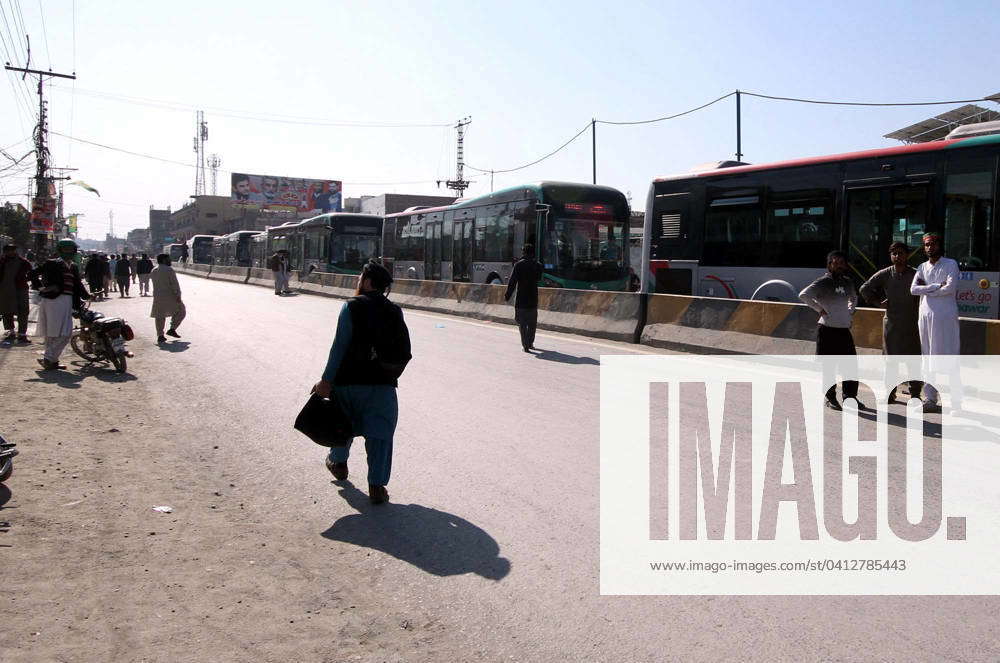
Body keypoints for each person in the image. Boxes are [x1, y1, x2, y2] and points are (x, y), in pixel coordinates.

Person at [312, 260, 409, 505]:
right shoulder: (394, 311)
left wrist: (326, 381)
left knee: (342, 426)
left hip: (348, 383)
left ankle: (338, 463)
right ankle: (376, 486)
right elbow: (404, 352)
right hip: (383, 386)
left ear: (366, 282)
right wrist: (389, 375)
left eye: (359, 277)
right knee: (380, 435)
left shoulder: (351, 307)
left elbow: (339, 347)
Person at [799, 250, 864, 410]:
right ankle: (830, 398)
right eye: (836, 263)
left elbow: (854, 297)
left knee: (850, 366)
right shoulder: (823, 282)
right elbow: (804, 295)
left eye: (842, 263)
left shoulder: (848, 282)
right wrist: (819, 309)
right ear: (829, 265)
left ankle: (850, 397)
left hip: (843, 330)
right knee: (829, 366)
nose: (840, 266)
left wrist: (850, 310)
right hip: (827, 330)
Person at [859, 241, 923, 404]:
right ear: (890, 256)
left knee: (913, 361)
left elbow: (927, 293)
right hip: (892, 325)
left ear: (907, 255)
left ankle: (915, 394)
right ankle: (890, 393)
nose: (897, 256)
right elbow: (864, 288)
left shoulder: (916, 274)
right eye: (894, 253)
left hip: (913, 325)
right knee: (890, 360)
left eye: (900, 253)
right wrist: (877, 302)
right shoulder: (886, 273)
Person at [910, 233, 961, 412]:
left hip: (945, 318)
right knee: (927, 358)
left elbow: (950, 288)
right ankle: (930, 399)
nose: (929, 247)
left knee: (949, 356)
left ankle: (955, 402)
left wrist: (928, 290)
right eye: (926, 244)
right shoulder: (922, 267)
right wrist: (934, 287)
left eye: (932, 244)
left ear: (939, 245)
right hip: (925, 318)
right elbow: (914, 289)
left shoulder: (950, 264)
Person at [31, 239, 89, 370]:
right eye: (65, 249)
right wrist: (42, 289)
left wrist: (87, 296)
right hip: (53, 301)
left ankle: (52, 361)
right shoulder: (52, 263)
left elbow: (78, 285)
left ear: (74, 251)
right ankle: (49, 358)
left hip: (67, 301)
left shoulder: (73, 266)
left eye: (70, 250)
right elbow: (32, 274)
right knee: (61, 333)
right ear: (60, 250)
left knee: (58, 333)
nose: (68, 252)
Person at [504, 243, 544, 353]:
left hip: (521, 299)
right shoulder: (538, 265)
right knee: (532, 324)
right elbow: (539, 278)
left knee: (522, 323)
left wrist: (507, 295)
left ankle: (525, 345)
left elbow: (512, 282)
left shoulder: (518, 265)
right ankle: (530, 343)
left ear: (524, 252)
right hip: (533, 299)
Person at [0, 244, 32, 344]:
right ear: (5, 252)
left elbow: (31, 274)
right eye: (8, 251)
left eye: (12, 250)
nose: (10, 252)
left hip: (20, 290)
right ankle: (11, 332)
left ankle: (22, 334)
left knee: (23, 311)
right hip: (5, 290)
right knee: (6, 311)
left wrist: (24, 279)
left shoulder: (23, 262)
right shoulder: (2, 262)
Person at [150, 253, 186, 344]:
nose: (170, 261)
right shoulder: (169, 270)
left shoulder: (154, 270)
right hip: (170, 296)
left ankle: (160, 335)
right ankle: (172, 328)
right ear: (163, 260)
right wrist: (178, 296)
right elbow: (175, 284)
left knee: (160, 316)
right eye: (168, 259)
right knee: (181, 311)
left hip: (158, 296)